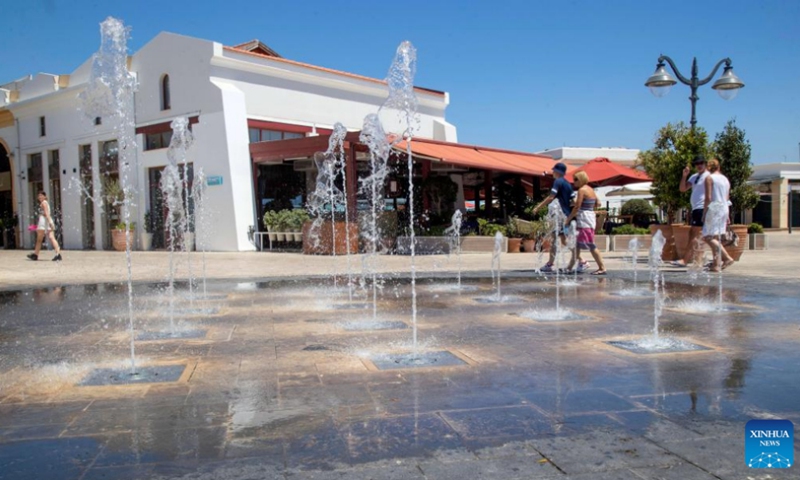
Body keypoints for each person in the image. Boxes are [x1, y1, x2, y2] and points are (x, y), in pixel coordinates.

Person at [531, 162, 587, 272]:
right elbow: (573, 201)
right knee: (559, 239)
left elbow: (551, 197)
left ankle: (581, 261)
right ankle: (552, 263)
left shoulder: (558, 182)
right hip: (565, 215)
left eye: (554, 170)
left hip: (560, 216)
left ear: (557, 172)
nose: (552, 172)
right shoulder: (567, 184)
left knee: (559, 239)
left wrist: (538, 207)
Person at [671, 155, 709, 267]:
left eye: (701, 163)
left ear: (705, 163)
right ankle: (699, 260)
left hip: (702, 208)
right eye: (697, 164)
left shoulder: (708, 176)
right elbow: (682, 189)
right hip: (696, 208)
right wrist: (684, 176)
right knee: (700, 235)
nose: (699, 165)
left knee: (694, 234)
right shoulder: (694, 177)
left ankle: (685, 260)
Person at [565, 171, 607, 275]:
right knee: (577, 244)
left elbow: (577, 207)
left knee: (590, 244)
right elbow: (598, 203)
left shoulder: (582, 190)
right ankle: (572, 266)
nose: (573, 182)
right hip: (589, 218)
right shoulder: (590, 189)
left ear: (581, 179)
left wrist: (568, 219)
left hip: (584, 219)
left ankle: (601, 267)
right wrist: (589, 207)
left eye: (575, 179)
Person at [702, 159, 734, 272]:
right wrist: (728, 214)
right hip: (724, 208)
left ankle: (727, 258)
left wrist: (705, 212)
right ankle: (716, 265)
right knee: (715, 237)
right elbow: (727, 198)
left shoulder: (709, 178)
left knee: (707, 236)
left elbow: (708, 198)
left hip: (714, 208)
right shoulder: (725, 179)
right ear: (718, 167)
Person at [27, 191, 62, 262]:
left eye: (41, 195)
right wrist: (50, 222)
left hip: (43, 222)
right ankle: (58, 254)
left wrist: (50, 222)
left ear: (45, 196)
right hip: (47, 221)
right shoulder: (45, 203)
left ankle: (35, 255)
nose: (40, 197)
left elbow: (46, 213)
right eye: (39, 196)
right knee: (51, 238)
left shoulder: (43, 203)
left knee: (40, 239)